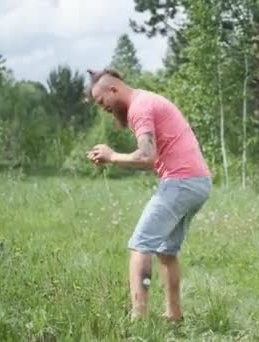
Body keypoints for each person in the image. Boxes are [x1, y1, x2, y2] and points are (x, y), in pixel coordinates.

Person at [85, 69, 212, 322]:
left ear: (114, 90)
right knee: (166, 251)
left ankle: (138, 320)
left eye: (102, 102)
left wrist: (112, 156)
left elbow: (146, 156)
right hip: (198, 182)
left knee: (141, 245)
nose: (104, 109)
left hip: (182, 181)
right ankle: (174, 318)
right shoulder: (146, 100)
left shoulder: (140, 108)